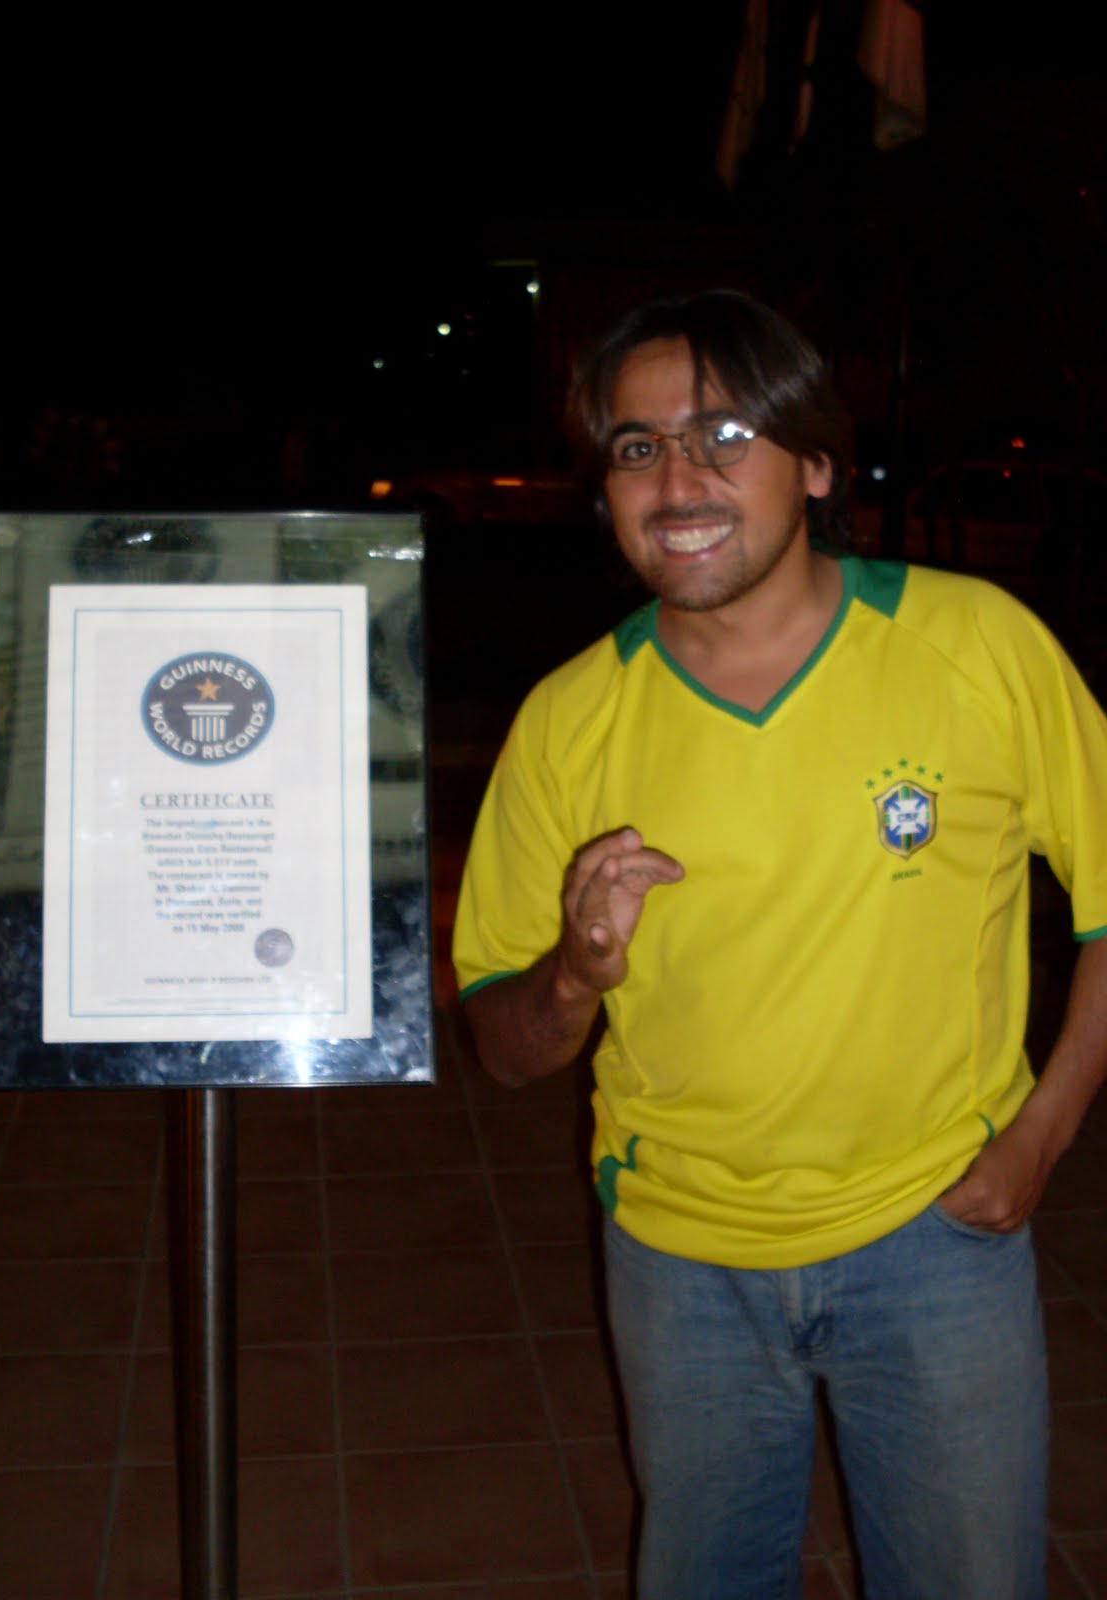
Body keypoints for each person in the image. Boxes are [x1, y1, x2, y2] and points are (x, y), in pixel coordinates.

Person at [451, 289, 1107, 1600]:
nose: (677, 481)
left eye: (725, 434)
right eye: (638, 447)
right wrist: (575, 974)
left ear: (816, 463)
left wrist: (1041, 1136)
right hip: (680, 1258)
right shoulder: (569, 722)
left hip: (936, 1233)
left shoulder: (976, 647)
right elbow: (502, 1045)